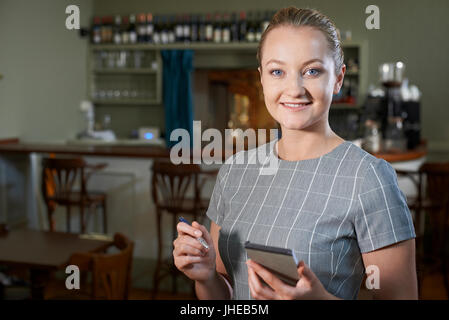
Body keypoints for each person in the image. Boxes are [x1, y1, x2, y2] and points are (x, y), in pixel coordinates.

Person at [173, 7, 417, 300]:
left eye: (312, 71)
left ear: (338, 78)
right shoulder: (235, 171)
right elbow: (226, 296)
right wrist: (206, 276)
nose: (294, 88)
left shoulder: (368, 178)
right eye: (278, 72)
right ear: (262, 78)